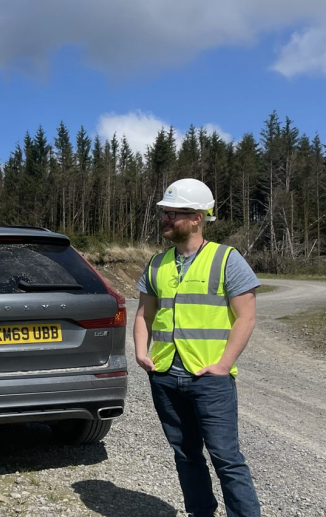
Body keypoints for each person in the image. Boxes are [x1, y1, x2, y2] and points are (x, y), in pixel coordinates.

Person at [134, 178, 261, 517]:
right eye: (164, 212)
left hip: (210, 378)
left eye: (173, 213)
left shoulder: (226, 260)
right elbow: (144, 313)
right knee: (186, 455)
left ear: (197, 217)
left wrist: (223, 365)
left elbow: (246, 318)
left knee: (227, 459)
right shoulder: (156, 264)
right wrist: (141, 352)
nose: (165, 218)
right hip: (164, 375)